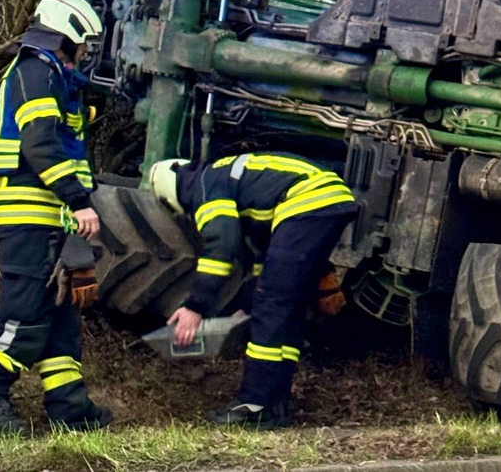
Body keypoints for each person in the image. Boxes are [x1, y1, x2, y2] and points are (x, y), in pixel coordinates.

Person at [0, 0, 113, 435]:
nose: (85, 53)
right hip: (26, 211)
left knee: (60, 314)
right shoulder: (35, 70)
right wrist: (79, 200)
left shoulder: (50, 75)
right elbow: (40, 144)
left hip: (45, 213)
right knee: (26, 308)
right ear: (66, 31)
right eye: (83, 44)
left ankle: (68, 407)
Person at [148, 152, 356, 428]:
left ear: (167, 195)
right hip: (329, 199)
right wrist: (249, 303)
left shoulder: (203, 187)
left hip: (306, 201)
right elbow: (265, 257)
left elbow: (222, 247)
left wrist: (195, 308)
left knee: (272, 307)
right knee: (284, 308)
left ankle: (254, 405)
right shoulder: (226, 179)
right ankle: (275, 405)